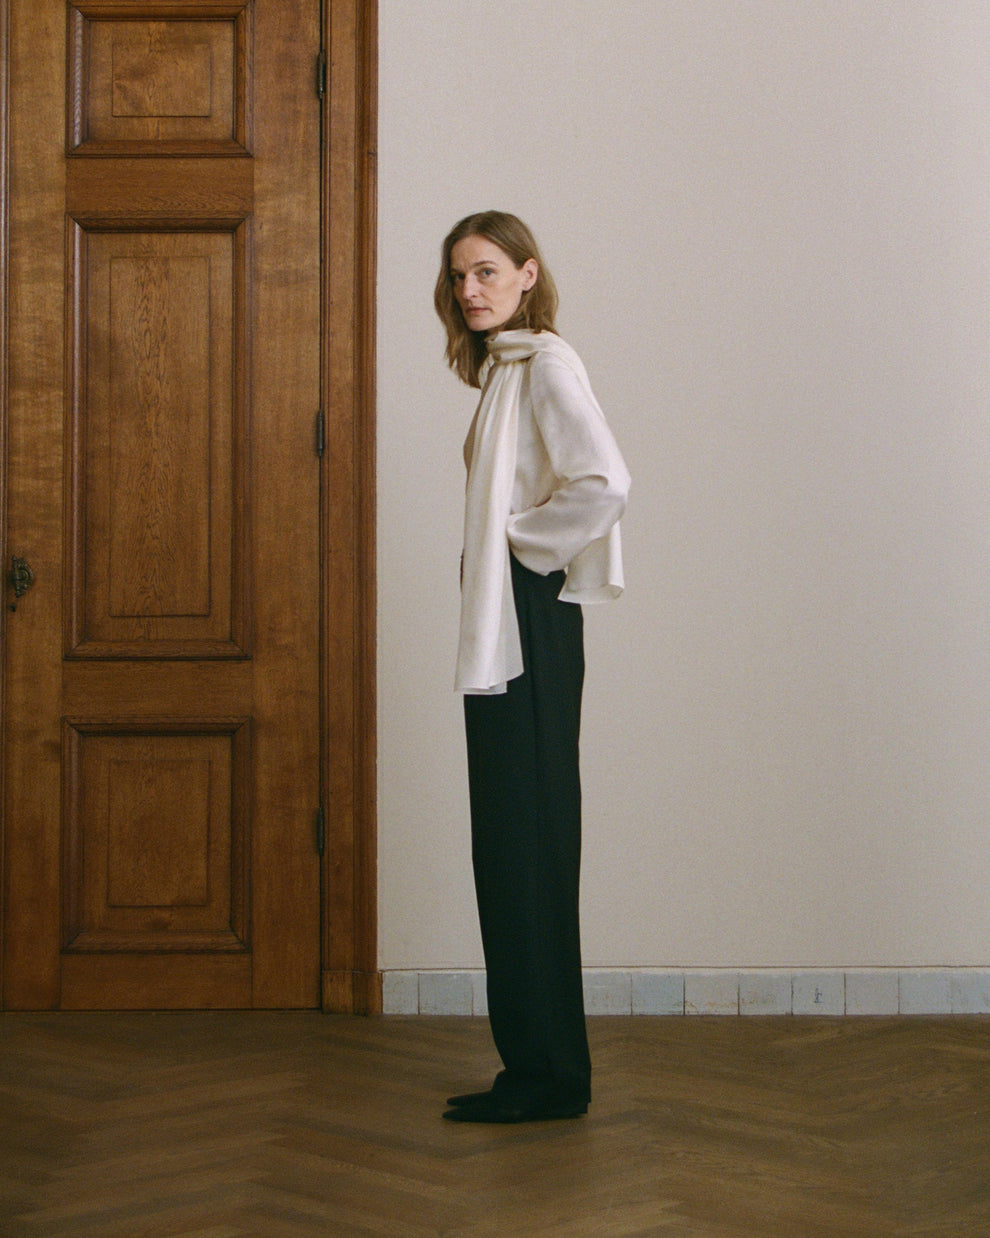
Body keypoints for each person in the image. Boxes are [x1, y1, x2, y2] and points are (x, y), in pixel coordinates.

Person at [434, 211, 630, 1124]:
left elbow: (603, 482)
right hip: (508, 627)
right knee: (511, 842)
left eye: (486, 272)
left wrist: (522, 551)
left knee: (530, 841)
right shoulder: (506, 369)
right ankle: (538, 1069)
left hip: (528, 625)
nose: (470, 290)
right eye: (459, 276)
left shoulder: (546, 363)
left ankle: (550, 1076)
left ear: (526, 273)